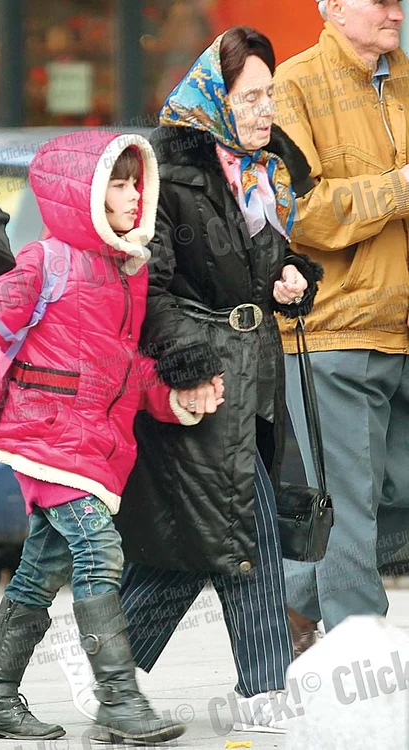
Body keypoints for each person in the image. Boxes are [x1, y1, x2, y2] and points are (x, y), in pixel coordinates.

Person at [57, 26, 322, 735]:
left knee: (200, 535)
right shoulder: (168, 179)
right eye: (251, 96)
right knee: (248, 524)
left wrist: (290, 278)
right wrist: (190, 364)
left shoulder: (262, 173)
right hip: (199, 382)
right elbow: (153, 291)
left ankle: (111, 666)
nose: (267, 110)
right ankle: (263, 688)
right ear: (214, 98)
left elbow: (260, 266)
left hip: (255, 376)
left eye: (271, 94)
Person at [0, 131, 223, 744]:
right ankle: (120, 700)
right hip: (44, 435)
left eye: (134, 181)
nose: (132, 195)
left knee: (39, 572)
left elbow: (127, 363)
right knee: (100, 553)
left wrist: (172, 397)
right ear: (83, 196)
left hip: (91, 443)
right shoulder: (47, 259)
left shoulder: (129, 271)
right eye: (116, 184)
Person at [272, 0, 409, 651]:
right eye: (378, 0)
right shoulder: (293, 85)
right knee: (349, 512)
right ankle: (361, 671)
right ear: (332, 7)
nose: (393, 10)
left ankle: (288, 604)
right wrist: (396, 189)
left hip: (401, 326)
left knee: (381, 503)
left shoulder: (406, 80)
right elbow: (293, 211)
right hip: (337, 331)